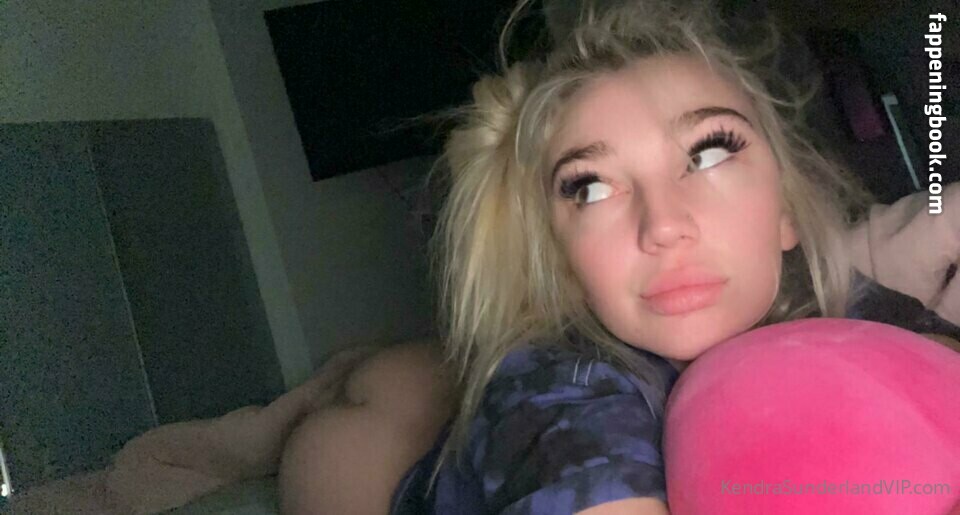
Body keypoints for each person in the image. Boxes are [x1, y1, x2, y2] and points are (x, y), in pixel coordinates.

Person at [277, 1, 954, 513]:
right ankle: (275, 423)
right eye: (591, 187)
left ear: (784, 209)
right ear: (563, 256)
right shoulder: (560, 392)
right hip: (372, 469)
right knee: (332, 418)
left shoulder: (818, 294)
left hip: (444, 393)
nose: (663, 225)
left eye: (709, 152)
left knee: (420, 374)